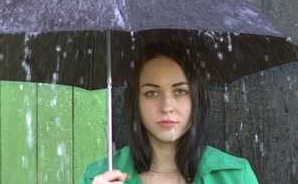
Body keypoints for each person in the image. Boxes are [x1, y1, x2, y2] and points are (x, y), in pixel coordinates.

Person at [79, 41, 258, 184]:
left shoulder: (235, 177)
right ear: (135, 102)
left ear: (197, 100)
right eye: (152, 93)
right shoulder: (98, 177)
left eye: (180, 91)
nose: (166, 106)